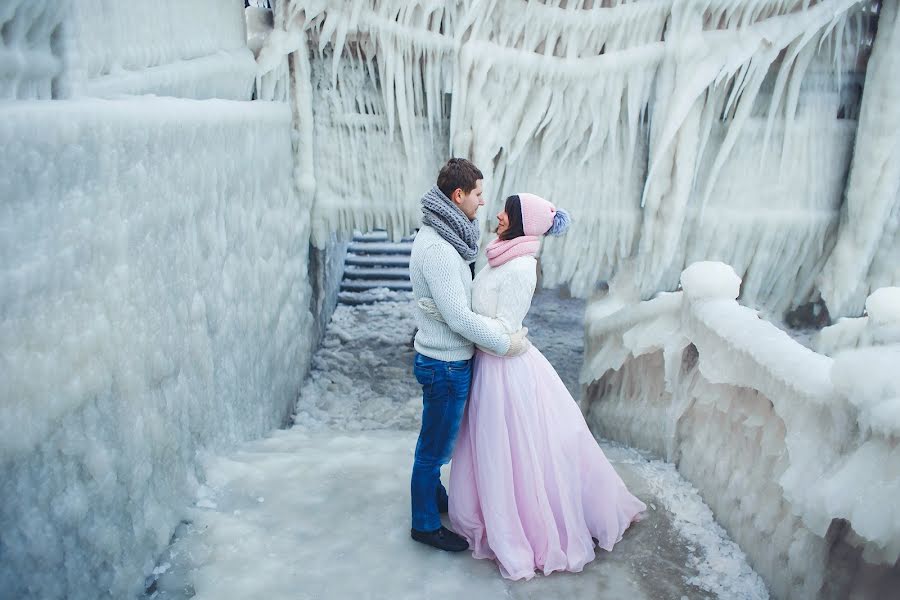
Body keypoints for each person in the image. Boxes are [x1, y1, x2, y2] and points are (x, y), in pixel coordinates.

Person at [421, 193, 646, 579]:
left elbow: (505, 328)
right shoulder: (497, 253)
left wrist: (457, 320)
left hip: (503, 367)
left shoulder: (522, 267)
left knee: (506, 449)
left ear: (523, 222)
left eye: (508, 213)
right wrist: (450, 312)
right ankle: (483, 509)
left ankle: (521, 526)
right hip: (487, 361)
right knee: (485, 446)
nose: (498, 216)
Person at [408, 158, 530, 552]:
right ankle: (424, 525)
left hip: (445, 360)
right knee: (434, 449)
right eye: (478, 194)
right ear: (457, 196)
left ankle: (434, 498)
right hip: (444, 364)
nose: (483, 202)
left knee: (439, 442)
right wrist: (502, 342)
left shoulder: (444, 235)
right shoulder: (440, 250)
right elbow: (458, 316)